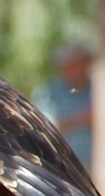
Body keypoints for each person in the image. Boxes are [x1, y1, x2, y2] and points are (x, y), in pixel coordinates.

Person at [32, 42, 97, 171]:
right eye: (71, 63)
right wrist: (83, 118)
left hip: (100, 165)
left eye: (80, 62)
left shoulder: (101, 91)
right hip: (61, 166)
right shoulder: (49, 93)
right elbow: (43, 129)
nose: (77, 68)